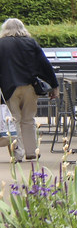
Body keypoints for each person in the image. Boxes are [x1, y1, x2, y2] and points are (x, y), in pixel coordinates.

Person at [0, 18, 59, 162]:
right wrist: (54, 85)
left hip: (8, 87)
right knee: (28, 119)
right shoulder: (31, 42)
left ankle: (17, 154)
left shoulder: (1, 44)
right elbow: (44, 64)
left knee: (13, 120)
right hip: (30, 86)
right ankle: (32, 152)